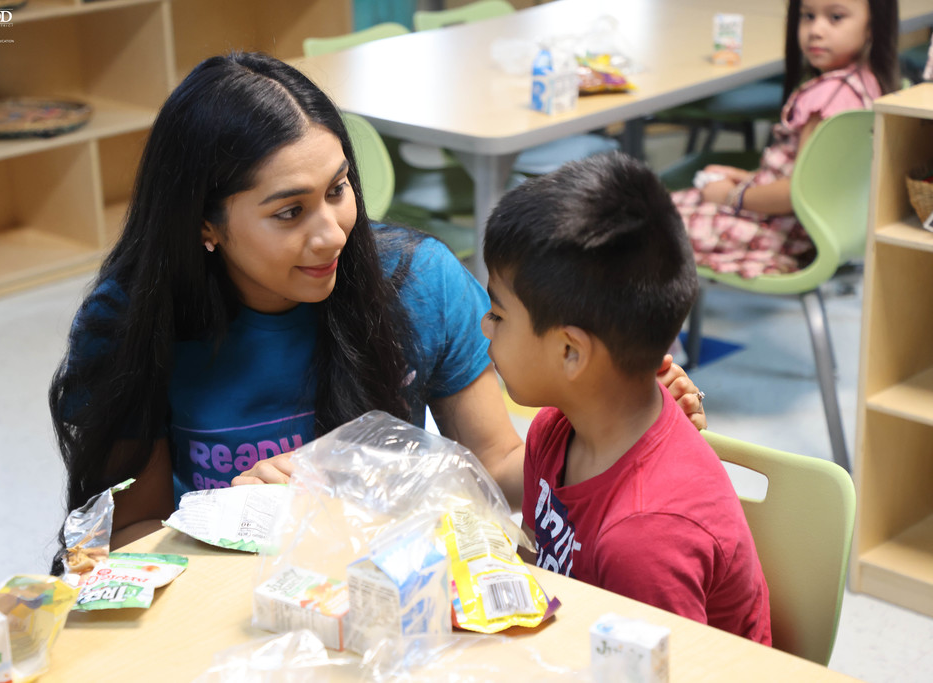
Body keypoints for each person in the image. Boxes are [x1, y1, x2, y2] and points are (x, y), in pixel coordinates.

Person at [48, 52, 705, 564]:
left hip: (384, 595)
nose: (333, 231)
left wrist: (619, 424)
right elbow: (124, 537)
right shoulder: (132, 324)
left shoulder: (414, 282)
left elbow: (499, 466)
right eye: (289, 211)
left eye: (338, 189)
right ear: (205, 224)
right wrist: (228, 520)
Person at [483, 152, 771, 643]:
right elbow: (544, 571)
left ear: (571, 352)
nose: (484, 325)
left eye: (499, 314)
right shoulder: (557, 428)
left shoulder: (644, 540)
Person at [672, 0, 899, 278]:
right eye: (807, 16)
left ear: (873, 24)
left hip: (779, 235)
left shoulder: (828, 98)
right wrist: (744, 177)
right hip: (822, 230)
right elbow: (818, 178)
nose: (816, 30)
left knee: (652, 221)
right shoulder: (868, 83)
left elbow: (797, 193)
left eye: (836, 17)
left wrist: (732, 195)